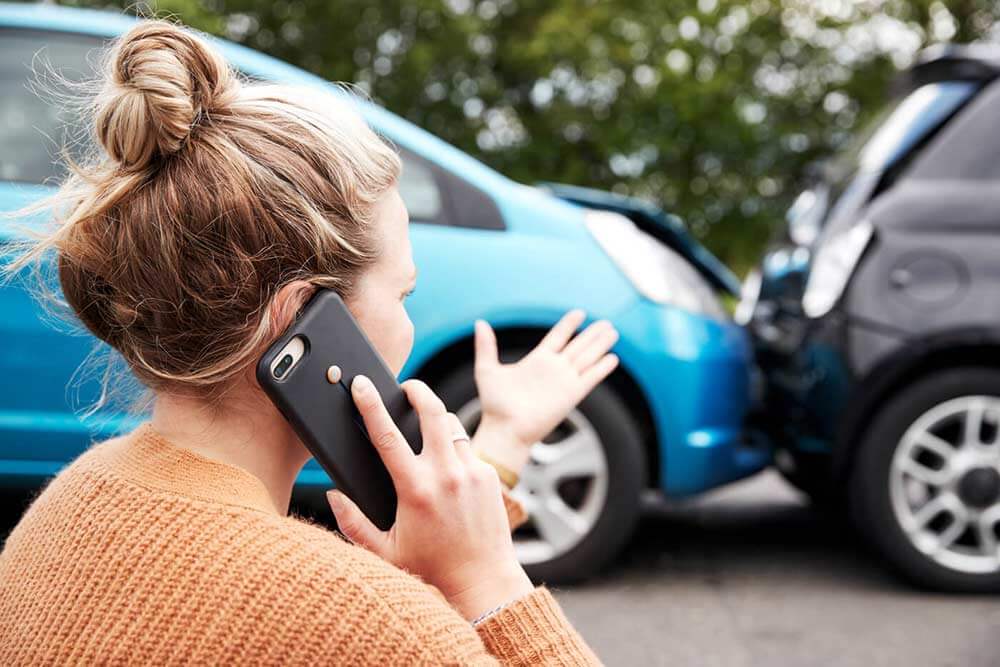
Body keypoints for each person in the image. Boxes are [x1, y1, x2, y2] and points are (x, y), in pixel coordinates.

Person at [0, 19, 623, 665]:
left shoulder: (66, 507)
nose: (406, 322)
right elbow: (359, 622)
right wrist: (488, 580)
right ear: (299, 318)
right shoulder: (375, 624)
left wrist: (499, 447)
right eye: (402, 294)